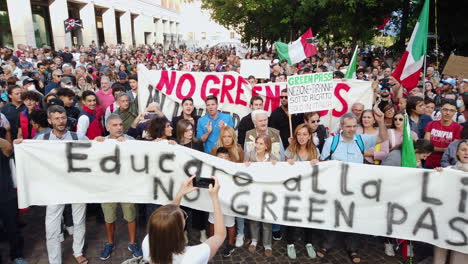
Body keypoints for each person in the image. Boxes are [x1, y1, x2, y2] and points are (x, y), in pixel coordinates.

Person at [16, 105, 89, 264]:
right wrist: (20, 146)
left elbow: (96, 154)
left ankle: (78, 251)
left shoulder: (79, 137)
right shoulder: (41, 139)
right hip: (53, 189)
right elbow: (29, 157)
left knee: (79, 221)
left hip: (78, 187)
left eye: (63, 118)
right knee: (52, 227)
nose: (61, 121)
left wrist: (101, 142)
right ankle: (55, 260)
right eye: (56, 118)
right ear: (50, 120)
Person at [318, 111, 388, 264]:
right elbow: (323, 162)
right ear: (342, 126)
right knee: (333, 215)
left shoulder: (362, 140)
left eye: (354, 126)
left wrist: (381, 121)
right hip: (335, 188)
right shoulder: (332, 141)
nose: (351, 129)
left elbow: (383, 138)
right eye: (348, 126)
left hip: (356, 188)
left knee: (354, 217)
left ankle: (353, 248)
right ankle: (326, 245)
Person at [142, 176, 226, 263]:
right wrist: (215, 198)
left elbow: (169, 215)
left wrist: (180, 194)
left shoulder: (147, 243)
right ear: (179, 230)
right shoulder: (192, 257)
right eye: (184, 216)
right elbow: (219, 236)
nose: (185, 215)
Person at [94, 114, 142, 259]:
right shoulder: (101, 141)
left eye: (121, 124)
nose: (119, 127)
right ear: (107, 127)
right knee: (109, 217)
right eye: (115, 125)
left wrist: (128, 144)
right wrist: (96, 144)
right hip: (108, 187)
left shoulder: (130, 140)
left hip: (127, 186)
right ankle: (109, 243)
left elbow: (143, 154)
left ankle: (132, 243)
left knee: (130, 216)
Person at [284, 124, 320, 259]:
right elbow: (283, 169)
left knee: (308, 216)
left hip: (309, 190)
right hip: (293, 190)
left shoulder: (314, 151)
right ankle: (290, 243)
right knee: (292, 216)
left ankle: (309, 242)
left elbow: (320, 170)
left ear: (310, 136)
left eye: (305, 134)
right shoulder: (290, 150)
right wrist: (288, 163)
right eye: (299, 134)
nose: (302, 137)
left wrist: (318, 163)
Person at [433, 140, 468, 264]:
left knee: (461, 254)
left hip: (465, 222)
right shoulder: (447, 170)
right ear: (457, 152)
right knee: (441, 250)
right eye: (463, 150)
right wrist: (437, 176)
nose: (466, 153)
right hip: (447, 217)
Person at [244, 134, 278, 257]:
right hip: (253, 192)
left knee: (266, 220)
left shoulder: (273, 158)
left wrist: (276, 166)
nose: (257, 146)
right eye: (257, 142)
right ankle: (254, 240)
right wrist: (246, 166)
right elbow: (243, 174)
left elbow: (278, 176)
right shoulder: (248, 155)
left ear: (267, 146)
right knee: (253, 218)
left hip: (267, 194)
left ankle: (267, 244)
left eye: (261, 143)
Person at [0, 126, 29, 264]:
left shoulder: (1, 132)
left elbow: (8, 150)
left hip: (5, 189)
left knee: (12, 225)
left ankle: (17, 255)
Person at [424, 100, 463, 168]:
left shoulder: (458, 128)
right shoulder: (431, 124)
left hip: (448, 165)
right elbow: (426, 146)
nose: (448, 113)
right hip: (429, 163)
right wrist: (444, 149)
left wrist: (435, 148)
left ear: (455, 112)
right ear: (440, 109)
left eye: (451, 110)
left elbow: (452, 150)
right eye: (445, 109)